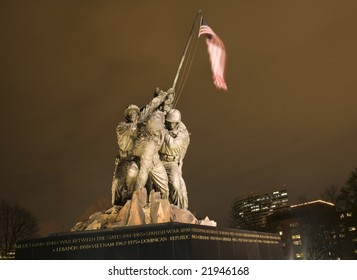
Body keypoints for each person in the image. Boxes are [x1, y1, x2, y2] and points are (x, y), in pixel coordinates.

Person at [111, 88, 173, 206]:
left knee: (140, 175)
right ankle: (120, 205)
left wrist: (160, 98)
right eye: (131, 113)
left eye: (135, 113)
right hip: (124, 159)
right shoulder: (122, 127)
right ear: (127, 116)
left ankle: (147, 202)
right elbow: (133, 128)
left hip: (137, 157)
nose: (133, 115)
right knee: (118, 183)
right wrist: (141, 121)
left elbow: (149, 108)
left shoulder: (139, 123)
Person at [159, 109, 190, 209]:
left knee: (176, 185)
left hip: (171, 162)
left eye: (173, 123)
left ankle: (178, 209)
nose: (170, 125)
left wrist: (164, 133)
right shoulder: (162, 127)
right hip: (158, 160)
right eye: (169, 123)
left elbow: (172, 145)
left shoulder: (183, 133)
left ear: (177, 123)